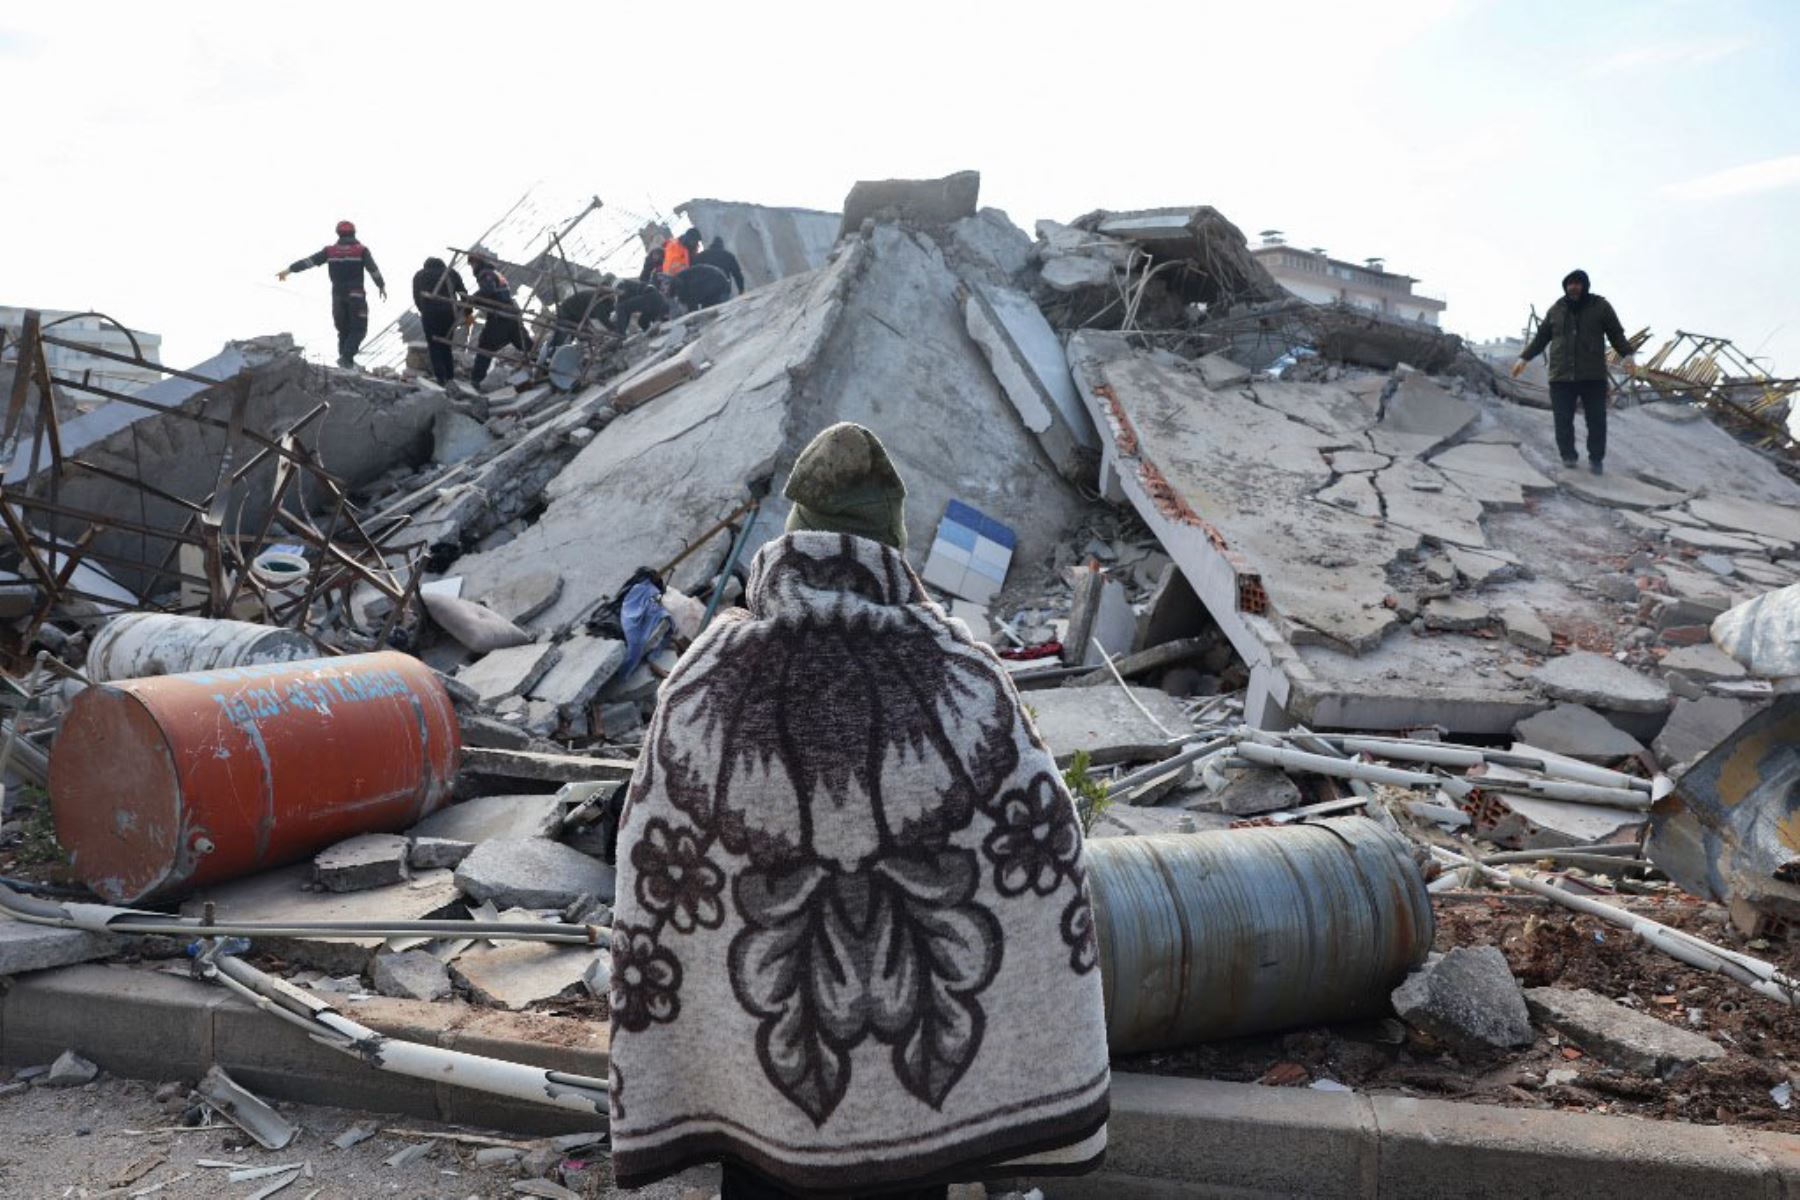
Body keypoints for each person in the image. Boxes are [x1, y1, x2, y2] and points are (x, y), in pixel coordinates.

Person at [607, 422, 1110, 1200]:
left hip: (764, 1108)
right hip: (915, 1124)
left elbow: (649, 863)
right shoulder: (965, 668)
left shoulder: (705, 674)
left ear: (791, 538)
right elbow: (1049, 850)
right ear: (893, 550)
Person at [1512, 269, 1634, 474]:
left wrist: (1627, 355)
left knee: (1596, 420)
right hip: (1561, 377)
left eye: (1577, 283)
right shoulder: (1556, 310)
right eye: (1569, 284)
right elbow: (1541, 338)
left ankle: (1596, 459)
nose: (1573, 287)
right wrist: (1524, 358)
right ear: (1565, 287)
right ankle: (1568, 456)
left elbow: (1616, 333)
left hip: (1592, 376)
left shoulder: (1600, 306)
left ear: (1585, 286)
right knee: (1562, 419)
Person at [278, 220, 385, 368]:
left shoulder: (330, 251)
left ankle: (345, 362)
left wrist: (289, 270)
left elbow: (309, 262)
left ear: (338, 233)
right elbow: (373, 270)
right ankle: (346, 358)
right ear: (354, 233)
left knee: (343, 330)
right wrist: (381, 285)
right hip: (356, 296)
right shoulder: (361, 250)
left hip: (338, 297)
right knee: (359, 329)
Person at [467, 251, 530, 387]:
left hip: (500, 317)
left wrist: (472, 299)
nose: (472, 267)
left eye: (472, 264)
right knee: (524, 344)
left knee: (485, 345)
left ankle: (476, 380)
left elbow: (488, 290)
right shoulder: (495, 272)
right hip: (511, 314)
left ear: (476, 263)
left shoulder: (485, 274)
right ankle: (545, 363)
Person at [411, 256, 468, 386]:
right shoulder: (451, 273)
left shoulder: (419, 275)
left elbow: (416, 297)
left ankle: (440, 378)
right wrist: (462, 312)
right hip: (449, 313)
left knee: (434, 345)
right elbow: (464, 294)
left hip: (430, 313)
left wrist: (423, 310)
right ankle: (450, 377)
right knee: (446, 345)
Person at [668, 262, 733, 312]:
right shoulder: (686, 278)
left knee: (719, 311)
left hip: (717, 285)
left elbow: (692, 303)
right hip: (717, 283)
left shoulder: (686, 284)